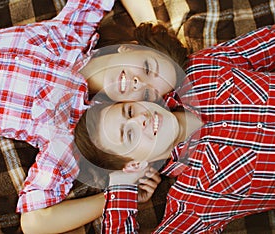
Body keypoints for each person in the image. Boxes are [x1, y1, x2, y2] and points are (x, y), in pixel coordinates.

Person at [0, 0, 182, 233]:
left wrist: (121, 192)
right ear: (131, 47)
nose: (138, 82)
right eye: (147, 68)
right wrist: (157, 31)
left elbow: (35, 224)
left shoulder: (68, 129)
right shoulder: (75, 30)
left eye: (146, 93)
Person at [74, 24, 275, 233]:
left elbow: (268, 42)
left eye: (131, 111)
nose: (140, 120)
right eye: (129, 135)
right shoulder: (195, 201)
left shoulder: (201, 70)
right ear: (134, 165)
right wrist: (121, 186)